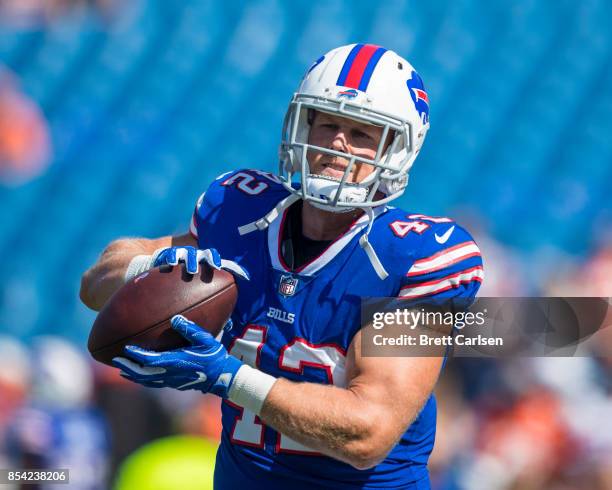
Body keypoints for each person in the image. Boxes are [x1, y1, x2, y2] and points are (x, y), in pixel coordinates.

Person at [80, 43, 484, 489]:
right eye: (327, 123)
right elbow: (95, 286)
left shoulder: (413, 257)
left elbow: (369, 431)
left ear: (397, 151)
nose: (337, 144)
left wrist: (229, 378)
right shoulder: (241, 213)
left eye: (362, 133)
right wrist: (152, 263)